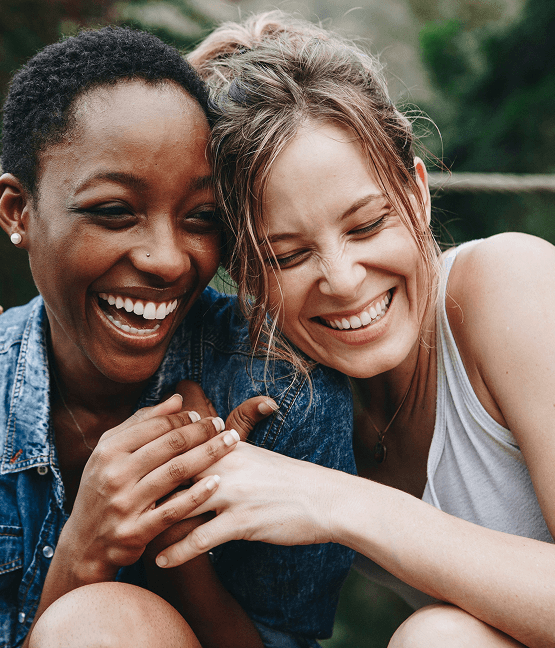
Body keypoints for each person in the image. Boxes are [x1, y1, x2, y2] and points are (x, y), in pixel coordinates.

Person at [0, 25, 355, 648]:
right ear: (17, 211)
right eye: (114, 212)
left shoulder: (281, 388)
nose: (167, 260)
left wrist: (179, 537)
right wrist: (84, 552)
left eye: (201, 218)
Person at [145, 12, 555, 648]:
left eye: (365, 225)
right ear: (245, 277)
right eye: (287, 255)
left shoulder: (509, 286)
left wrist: (337, 503)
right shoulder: (279, 391)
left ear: (416, 193)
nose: (342, 279)